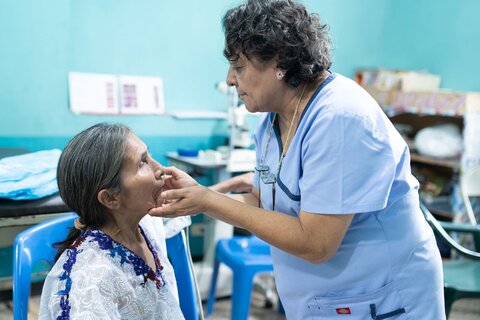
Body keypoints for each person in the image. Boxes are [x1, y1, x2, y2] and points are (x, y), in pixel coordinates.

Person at [150, 0, 446, 319]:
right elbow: (268, 206)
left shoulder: (340, 119)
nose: (230, 81)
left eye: (238, 67)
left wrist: (208, 201)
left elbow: (316, 243)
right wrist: (201, 196)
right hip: (324, 299)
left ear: (280, 62)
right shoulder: (271, 122)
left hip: (382, 299)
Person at [39, 123, 186, 320]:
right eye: (143, 163)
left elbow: (187, 202)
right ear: (110, 198)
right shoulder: (91, 281)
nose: (161, 169)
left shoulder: (142, 226)